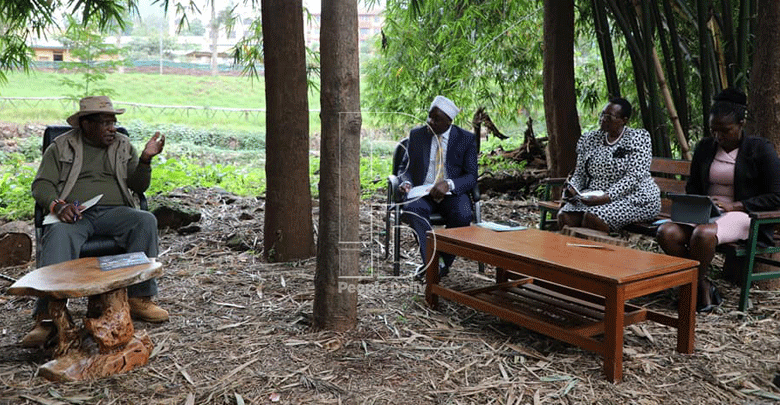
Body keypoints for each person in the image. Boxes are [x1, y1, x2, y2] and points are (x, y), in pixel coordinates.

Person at [22, 96, 169, 347]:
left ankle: (140, 297)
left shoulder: (123, 145)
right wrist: (58, 205)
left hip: (115, 213)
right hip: (75, 214)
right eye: (104, 123)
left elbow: (138, 186)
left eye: (113, 122)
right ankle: (47, 315)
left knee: (145, 220)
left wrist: (145, 160)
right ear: (85, 124)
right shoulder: (61, 147)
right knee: (58, 234)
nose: (112, 128)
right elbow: (41, 185)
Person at [657, 88, 780, 312]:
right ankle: (702, 283)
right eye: (714, 130)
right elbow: (693, 185)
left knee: (703, 234)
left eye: (725, 130)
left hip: (743, 215)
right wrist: (698, 202)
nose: (719, 136)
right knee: (666, 233)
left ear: (741, 124)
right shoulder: (705, 147)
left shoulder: (760, 149)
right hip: (708, 212)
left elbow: (776, 196)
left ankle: (693, 289)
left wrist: (736, 205)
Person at [397, 95, 478, 279]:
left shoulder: (465, 139)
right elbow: (405, 168)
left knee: (463, 214)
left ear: (449, 121)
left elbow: (471, 176)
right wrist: (406, 182)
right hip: (422, 192)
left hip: (452, 194)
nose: (430, 122)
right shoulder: (417, 135)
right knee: (413, 211)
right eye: (429, 116)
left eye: (437, 119)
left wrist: (449, 183)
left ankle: (441, 263)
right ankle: (434, 264)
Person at [557, 97, 660, 233]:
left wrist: (606, 197)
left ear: (624, 120)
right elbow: (580, 173)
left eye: (609, 117)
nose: (603, 119)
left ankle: (604, 250)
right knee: (565, 217)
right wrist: (573, 189)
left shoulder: (638, 138)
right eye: (602, 115)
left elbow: (634, 177)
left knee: (593, 218)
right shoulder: (590, 139)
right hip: (593, 197)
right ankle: (573, 252)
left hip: (634, 198)